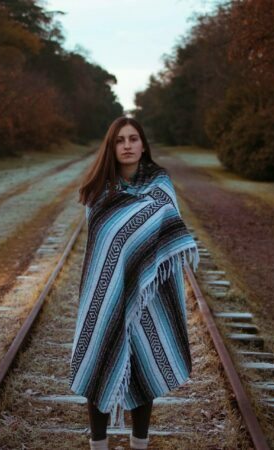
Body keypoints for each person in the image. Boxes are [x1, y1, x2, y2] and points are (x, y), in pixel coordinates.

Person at [68, 116, 199, 449]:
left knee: (145, 360)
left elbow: (168, 221)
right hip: (105, 290)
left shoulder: (161, 184)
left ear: (143, 145)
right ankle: (98, 445)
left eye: (133, 139)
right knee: (100, 355)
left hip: (149, 292)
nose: (127, 145)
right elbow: (102, 244)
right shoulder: (100, 191)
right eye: (120, 140)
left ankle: (139, 444)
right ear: (111, 147)